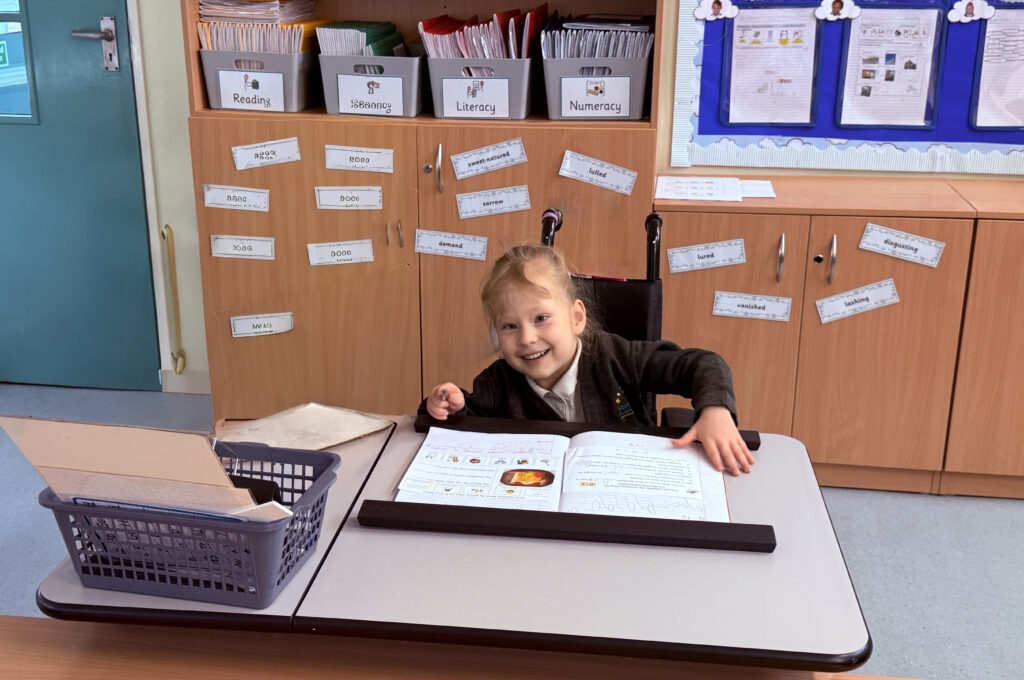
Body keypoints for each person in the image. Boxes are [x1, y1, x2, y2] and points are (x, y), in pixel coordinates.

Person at [421, 245, 754, 475]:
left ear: (576, 318)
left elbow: (704, 364)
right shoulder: (497, 381)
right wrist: (451, 406)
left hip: (628, 483)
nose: (526, 339)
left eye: (540, 319)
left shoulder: (618, 358)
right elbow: (463, 425)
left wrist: (716, 412)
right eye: (510, 326)